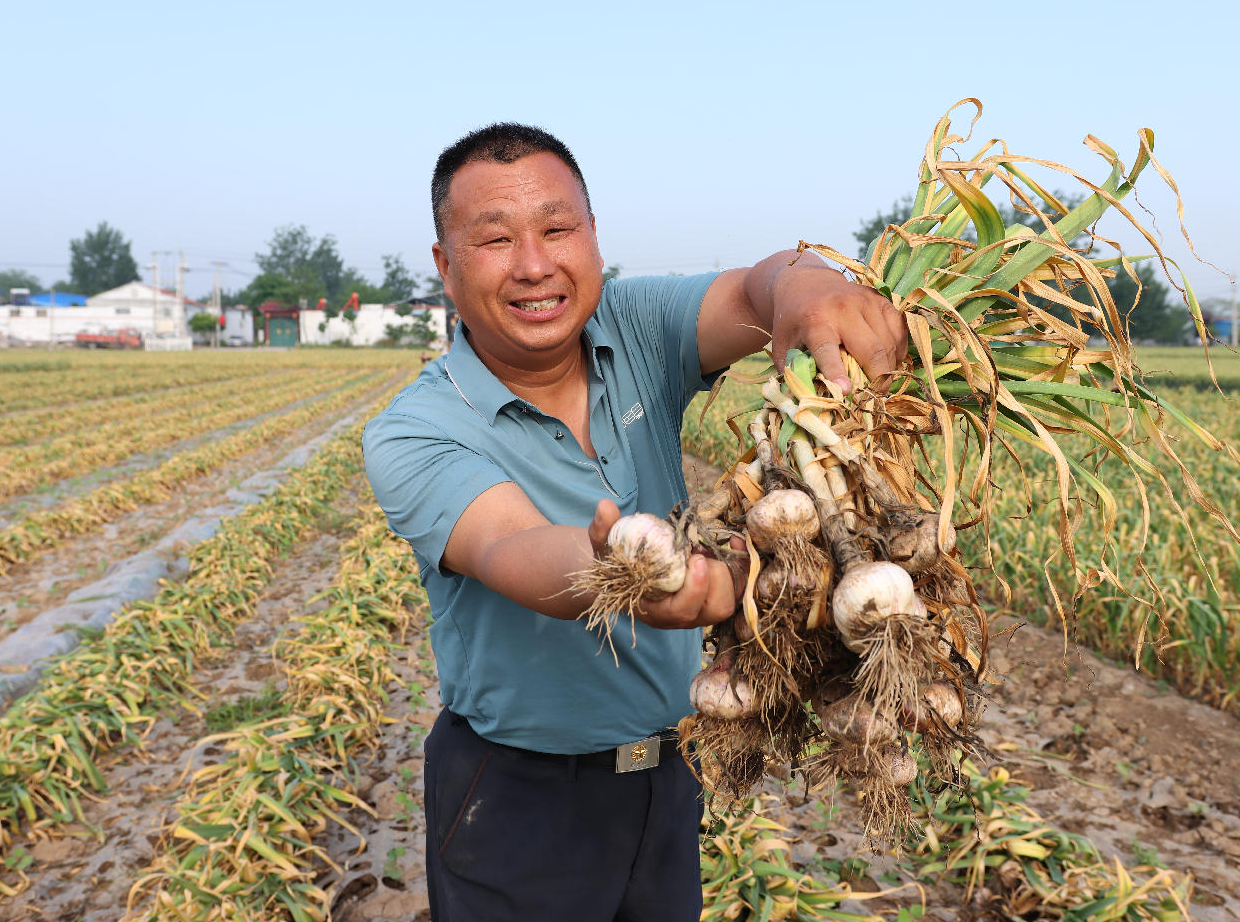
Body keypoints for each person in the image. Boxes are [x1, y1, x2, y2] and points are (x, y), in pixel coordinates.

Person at [362, 123, 908, 922]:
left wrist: (804, 288)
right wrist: (635, 571)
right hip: (516, 799)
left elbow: (756, 286)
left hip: (666, 776)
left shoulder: (635, 323)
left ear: (592, 238)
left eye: (557, 229)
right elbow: (507, 543)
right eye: (495, 239)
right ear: (446, 268)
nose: (535, 264)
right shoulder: (414, 430)